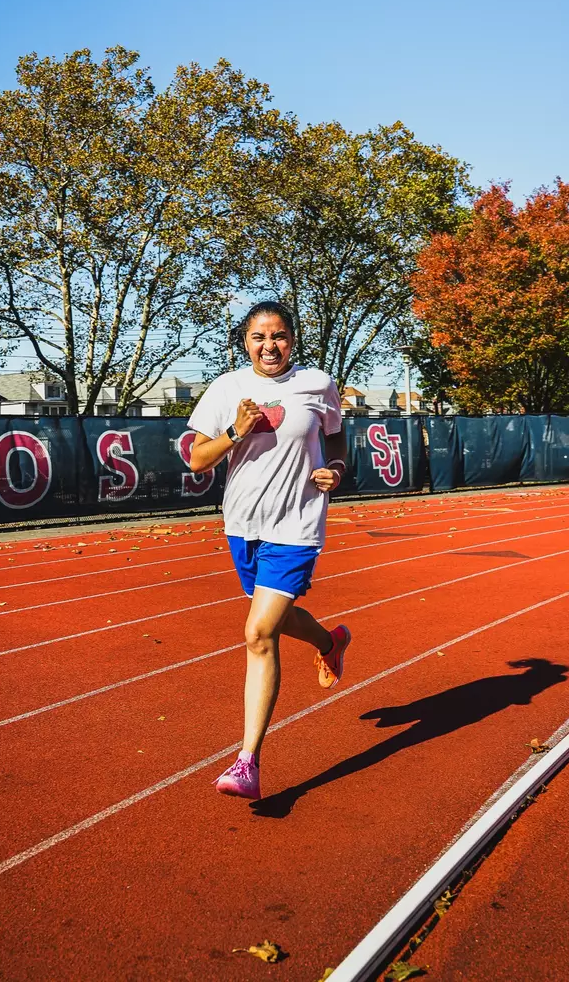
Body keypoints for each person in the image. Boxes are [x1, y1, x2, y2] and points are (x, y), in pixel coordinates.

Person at [187, 300, 351, 801]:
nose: (269, 345)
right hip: (243, 525)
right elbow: (196, 459)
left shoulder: (318, 385)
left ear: (292, 340)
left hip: (298, 526)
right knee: (276, 619)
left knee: (259, 632)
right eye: (259, 337)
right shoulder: (226, 388)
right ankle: (331, 643)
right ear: (245, 343)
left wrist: (337, 472)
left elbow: (339, 445)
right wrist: (236, 430)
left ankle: (247, 762)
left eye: (278, 336)